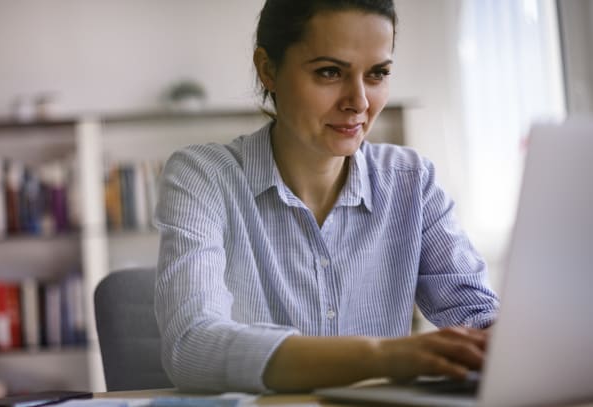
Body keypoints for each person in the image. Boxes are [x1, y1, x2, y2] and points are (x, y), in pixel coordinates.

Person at [154, 0, 499, 393]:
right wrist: (383, 357)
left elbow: (482, 317)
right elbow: (192, 346)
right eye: (330, 72)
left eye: (377, 74)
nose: (359, 102)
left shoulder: (412, 182)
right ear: (268, 69)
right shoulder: (203, 177)